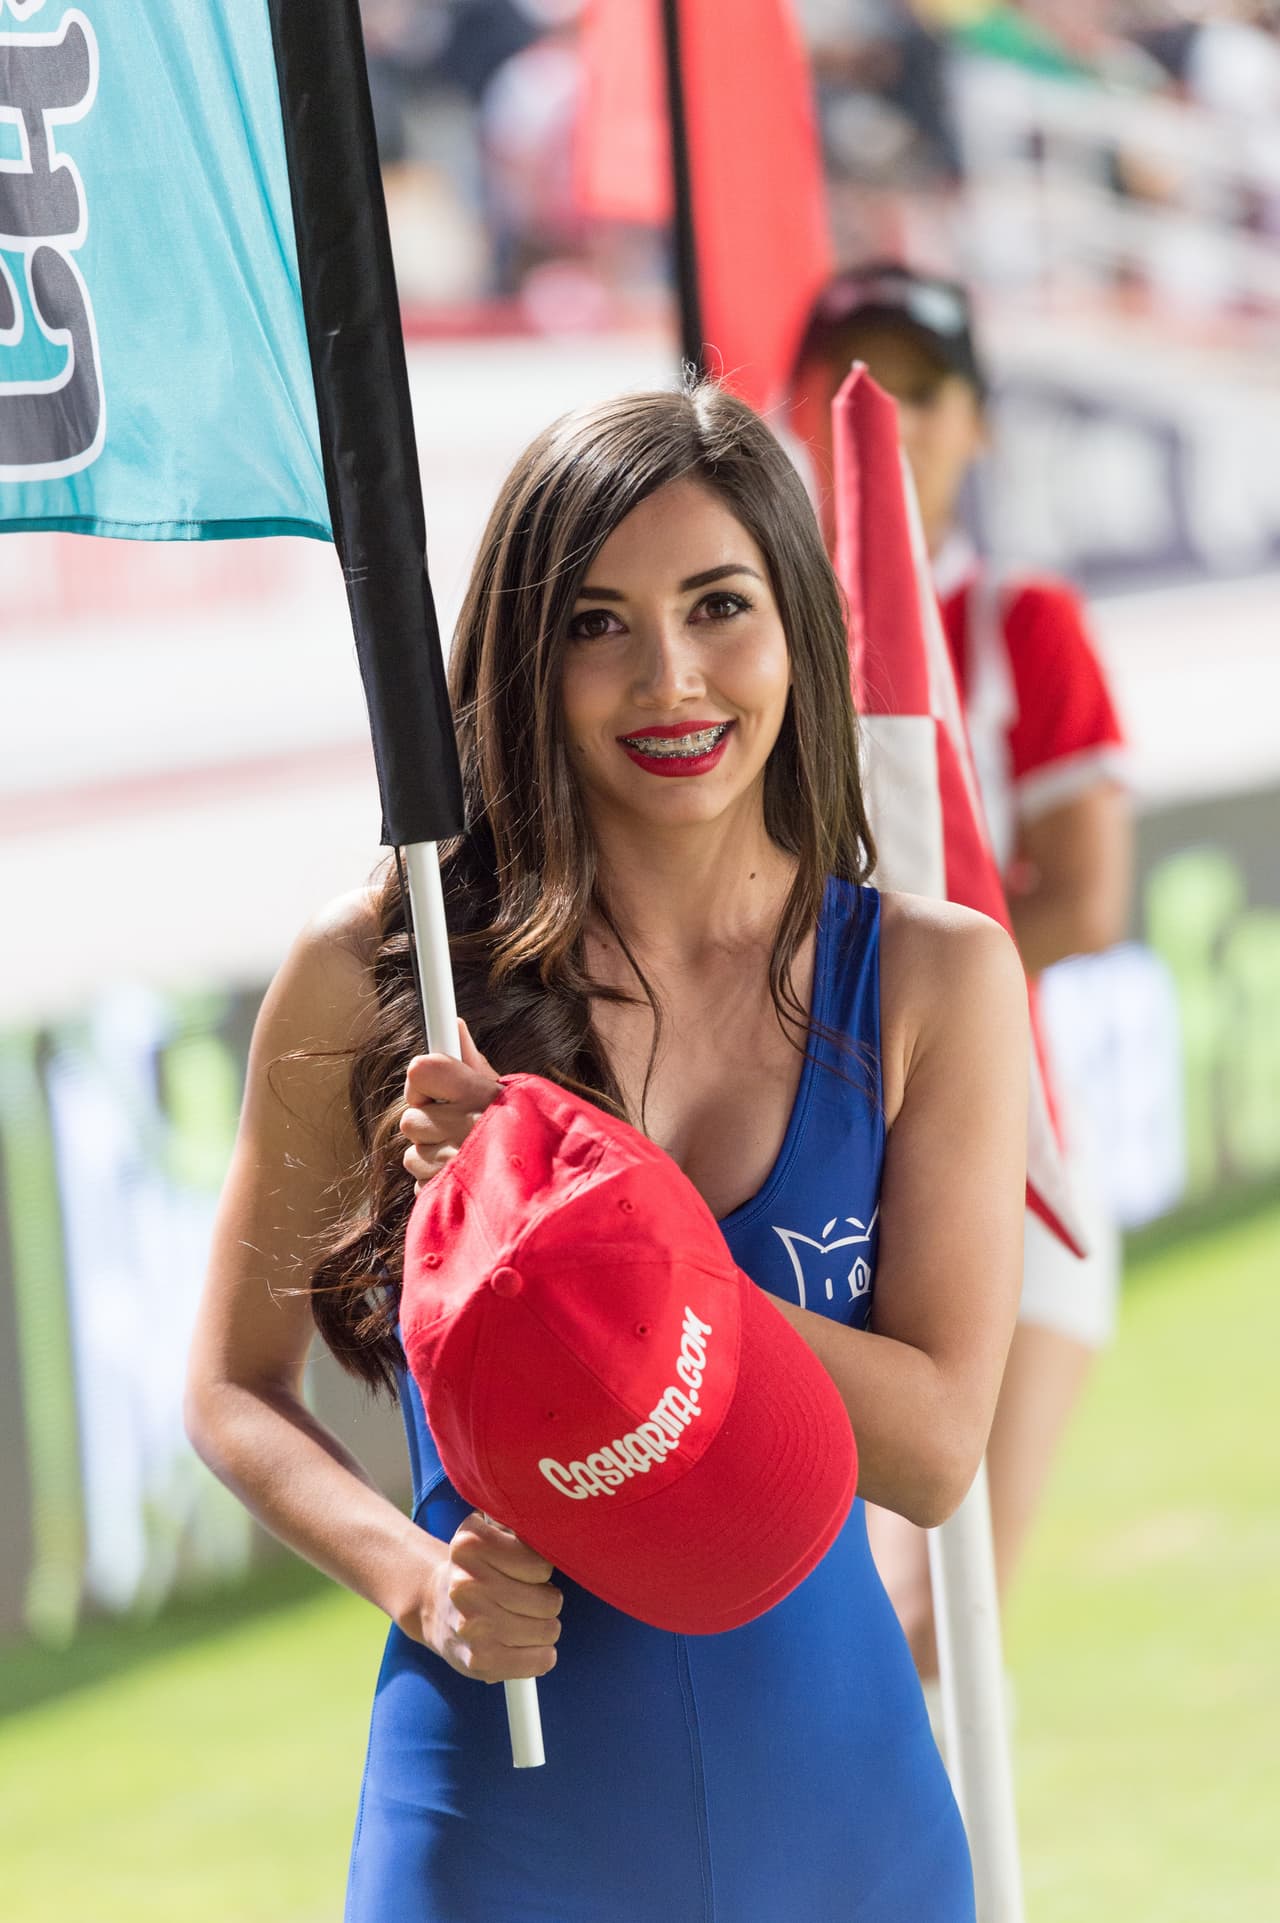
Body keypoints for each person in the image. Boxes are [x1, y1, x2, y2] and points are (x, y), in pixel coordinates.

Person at [185, 383, 1029, 1920]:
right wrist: (414, 1581)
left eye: (721, 606)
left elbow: (932, 1446)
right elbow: (230, 1389)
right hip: (501, 1815)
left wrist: (614, 1232)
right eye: (596, 623)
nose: (672, 678)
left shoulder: (933, 980)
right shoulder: (386, 973)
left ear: (797, 633)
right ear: (526, 656)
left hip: (841, 1829)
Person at [787, 263, 1133, 1682]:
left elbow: (1090, 895)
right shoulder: (753, 638)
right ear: (797, 413)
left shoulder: (1017, 626)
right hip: (801, 1195)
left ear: (980, 424)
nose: (890, 419)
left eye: (923, 391)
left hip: (1002, 1167)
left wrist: (892, 1010)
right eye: (852, 384)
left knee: (930, 1626)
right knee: (805, 1635)